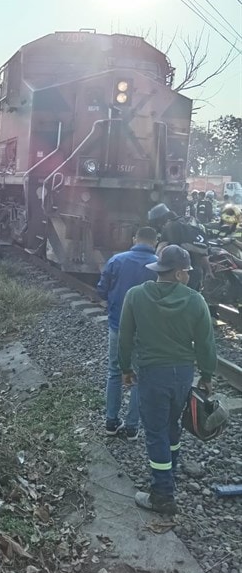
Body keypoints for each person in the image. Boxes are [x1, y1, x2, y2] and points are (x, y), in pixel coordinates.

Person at [118, 244, 217, 516]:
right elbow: (206, 345)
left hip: (152, 373)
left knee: (155, 432)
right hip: (182, 374)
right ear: (176, 274)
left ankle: (162, 494)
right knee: (172, 425)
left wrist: (125, 368)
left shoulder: (136, 296)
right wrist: (207, 375)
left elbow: (125, 338)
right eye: (186, 271)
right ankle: (170, 472)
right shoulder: (195, 300)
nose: (188, 275)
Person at [97, 227, 158, 440]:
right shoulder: (160, 265)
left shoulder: (117, 260)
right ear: (155, 242)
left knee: (114, 372)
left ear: (134, 239)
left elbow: (102, 289)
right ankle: (132, 427)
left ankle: (111, 422)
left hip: (118, 325)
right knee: (140, 377)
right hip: (147, 331)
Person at [148, 203, 210, 292]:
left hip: (178, 273)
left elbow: (160, 250)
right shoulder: (190, 223)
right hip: (197, 271)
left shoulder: (169, 226)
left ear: (160, 220)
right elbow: (204, 255)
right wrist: (208, 271)